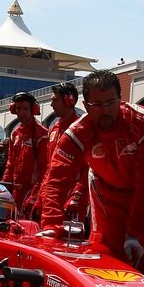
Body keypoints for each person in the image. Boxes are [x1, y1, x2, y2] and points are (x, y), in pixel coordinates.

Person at [38, 70, 144, 280]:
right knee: (104, 258)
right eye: (97, 104)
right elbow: (56, 179)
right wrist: (51, 224)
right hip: (105, 195)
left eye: (110, 102)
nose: (105, 110)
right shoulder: (77, 132)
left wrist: (133, 233)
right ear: (86, 105)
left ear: (120, 100)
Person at [28, 82, 83, 220]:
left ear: (68, 100)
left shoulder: (82, 129)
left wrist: (77, 195)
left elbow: (87, 168)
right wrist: (39, 196)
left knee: (70, 238)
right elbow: (48, 168)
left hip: (72, 197)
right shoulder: (53, 130)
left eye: (55, 100)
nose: (51, 105)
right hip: (51, 195)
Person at [5, 91, 49, 217]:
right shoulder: (15, 133)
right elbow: (10, 163)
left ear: (33, 109)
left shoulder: (42, 134)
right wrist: (4, 186)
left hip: (31, 191)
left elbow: (44, 169)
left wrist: (35, 196)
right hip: (14, 190)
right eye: (18, 108)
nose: (21, 112)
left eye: (25, 108)